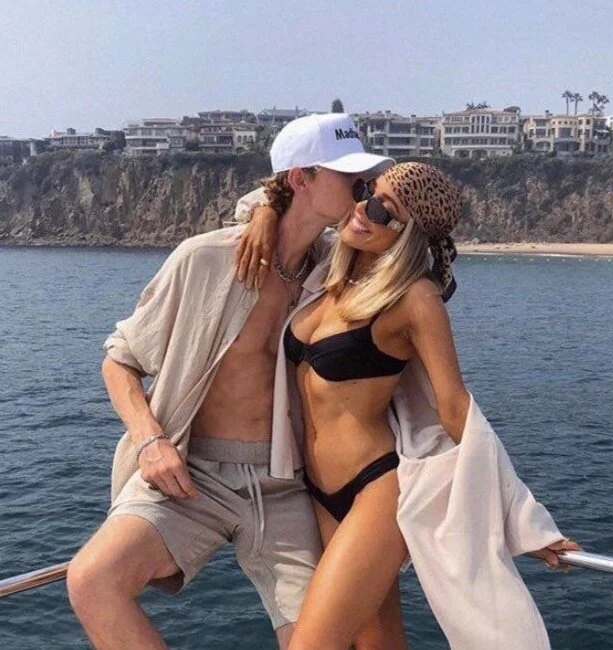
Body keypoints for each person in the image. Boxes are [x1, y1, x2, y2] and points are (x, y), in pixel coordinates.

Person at [65, 112, 394, 650]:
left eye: (364, 178)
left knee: (321, 642)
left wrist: (263, 209)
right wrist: (150, 441)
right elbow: (119, 360)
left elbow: (408, 247)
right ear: (301, 179)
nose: (361, 189)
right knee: (93, 580)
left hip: (286, 483)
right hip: (192, 475)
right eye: (348, 177)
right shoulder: (205, 258)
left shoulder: (337, 272)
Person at [239, 162, 580, 650]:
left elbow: (456, 410)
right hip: (315, 490)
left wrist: (526, 520)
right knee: (378, 644)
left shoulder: (415, 298)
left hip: (374, 492)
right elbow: (285, 205)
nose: (363, 209)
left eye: (384, 209)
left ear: (408, 232)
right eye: (365, 191)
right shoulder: (329, 269)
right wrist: (265, 214)